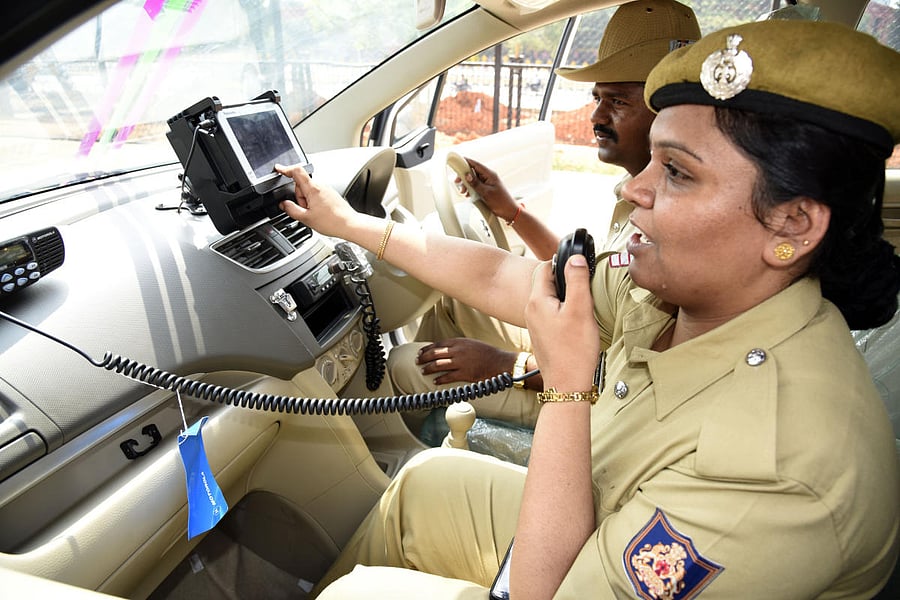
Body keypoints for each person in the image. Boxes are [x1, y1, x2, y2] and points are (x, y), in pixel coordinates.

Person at [276, 17, 900, 599]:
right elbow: (504, 274)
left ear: (792, 222)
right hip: (603, 508)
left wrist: (568, 388)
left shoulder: (777, 473)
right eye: (652, 158)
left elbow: (543, 593)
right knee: (417, 488)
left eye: (678, 173)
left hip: (570, 570)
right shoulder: (679, 295)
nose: (636, 188)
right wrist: (353, 225)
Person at [390, 0, 701, 435]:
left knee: (406, 365)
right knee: (453, 296)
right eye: (597, 98)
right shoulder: (639, 192)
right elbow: (588, 276)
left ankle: (427, 446)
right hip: (582, 339)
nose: (595, 116)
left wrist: (504, 365)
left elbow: (622, 375)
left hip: (592, 398)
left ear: (668, 111)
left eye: (618, 101)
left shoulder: (682, 222)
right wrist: (512, 211)